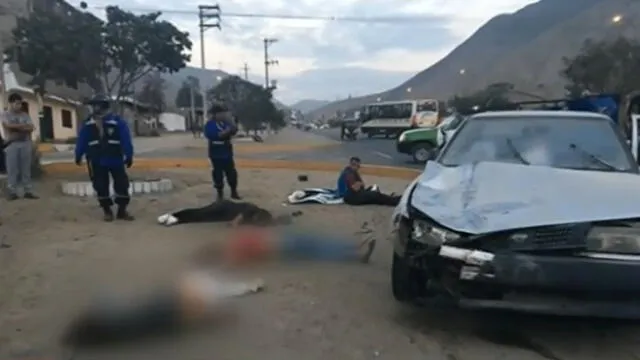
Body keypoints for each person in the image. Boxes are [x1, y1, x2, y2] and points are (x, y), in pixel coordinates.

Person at [195, 219, 377, 268]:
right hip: (282, 245)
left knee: (320, 248)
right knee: (320, 248)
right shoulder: (234, 245)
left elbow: (232, 264)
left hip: (282, 244)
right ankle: (355, 250)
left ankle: (355, 249)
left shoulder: (233, 246)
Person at [75, 94, 135, 222]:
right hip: (96, 160)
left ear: (101, 106)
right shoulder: (88, 124)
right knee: (100, 186)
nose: (92, 109)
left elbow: (125, 139)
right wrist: (78, 154)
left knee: (122, 184)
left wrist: (129, 155)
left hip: (115, 159)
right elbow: (82, 140)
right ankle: (107, 211)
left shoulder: (117, 121)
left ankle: (122, 210)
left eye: (94, 106)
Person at [1, 93, 38, 200]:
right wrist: (23, 127)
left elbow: (31, 127)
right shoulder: (5, 115)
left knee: (25, 169)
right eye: (17, 104)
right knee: (13, 169)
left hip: (25, 144)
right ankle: (12, 192)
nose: (19, 106)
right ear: (11, 103)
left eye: (20, 104)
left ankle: (28, 191)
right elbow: (7, 126)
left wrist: (17, 128)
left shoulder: (25, 115)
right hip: (12, 144)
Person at [204, 103, 240, 200]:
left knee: (231, 173)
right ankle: (220, 194)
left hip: (227, 153)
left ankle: (234, 191)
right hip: (216, 154)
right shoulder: (210, 124)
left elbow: (234, 130)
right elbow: (215, 135)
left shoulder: (226, 123)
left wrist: (232, 123)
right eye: (221, 113)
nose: (223, 115)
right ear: (215, 114)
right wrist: (227, 131)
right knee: (217, 174)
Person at [157, 200, 279, 227]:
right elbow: (240, 217)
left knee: (200, 218)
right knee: (200, 213)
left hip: (222, 213)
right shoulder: (252, 209)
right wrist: (234, 224)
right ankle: (174, 215)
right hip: (222, 207)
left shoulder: (255, 216)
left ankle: (176, 219)